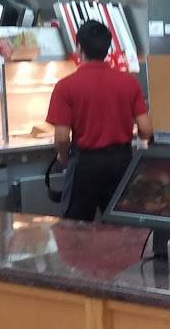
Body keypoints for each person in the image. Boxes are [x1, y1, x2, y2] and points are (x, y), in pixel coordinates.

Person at [46, 19, 152, 222]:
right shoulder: (129, 83)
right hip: (122, 162)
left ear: (79, 47)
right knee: (121, 227)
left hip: (85, 164)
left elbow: (62, 137)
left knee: (76, 229)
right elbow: (146, 129)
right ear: (107, 49)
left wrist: (63, 157)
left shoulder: (66, 86)